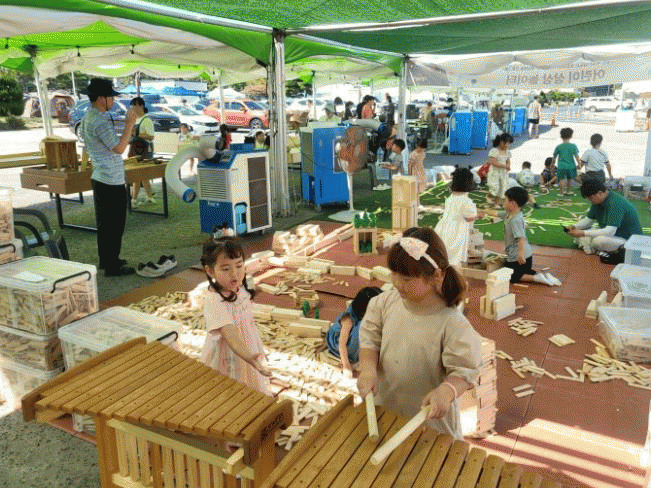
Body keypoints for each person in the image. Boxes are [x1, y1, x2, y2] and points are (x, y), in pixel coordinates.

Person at [356, 226, 482, 438]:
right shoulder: (383, 303)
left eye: (406, 279)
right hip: (386, 413)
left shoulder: (452, 324)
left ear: (435, 276)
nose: (396, 283)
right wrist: (368, 369)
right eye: (394, 274)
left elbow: (464, 371)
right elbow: (369, 339)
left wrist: (447, 391)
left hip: (431, 426)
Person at [80, 78, 140, 277]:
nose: (113, 101)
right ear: (100, 98)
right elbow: (119, 148)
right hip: (109, 179)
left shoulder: (90, 116)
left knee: (105, 224)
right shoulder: (99, 121)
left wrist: (126, 130)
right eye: (110, 97)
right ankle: (112, 265)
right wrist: (129, 124)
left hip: (102, 177)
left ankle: (107, 260)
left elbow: (114, 144)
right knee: (114, 224)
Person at [200, 236, 271, 394]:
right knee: (230, 389)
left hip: (246, 346)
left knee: (249, 383)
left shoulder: (238, 288)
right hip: (230, 353)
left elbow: (244, 302)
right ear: (210, 271)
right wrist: (249, 356)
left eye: (239, 266)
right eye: (226, 269)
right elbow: (230, 333)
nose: (235, 274)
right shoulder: (215, 301)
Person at [483, 187, 561, 286]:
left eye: (505, 200)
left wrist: (520, 255)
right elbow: (496, 213)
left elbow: (521, 238)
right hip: (523, 257)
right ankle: (545, 276)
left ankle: (537, 278)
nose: (503, 203)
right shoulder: (510, 214)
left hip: (519, 257)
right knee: (521, 271)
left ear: (513, 204)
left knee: (511, 276)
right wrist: (483, 210)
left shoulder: (515, 220)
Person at [567, 179, 642, 254]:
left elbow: (610, 231)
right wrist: (574, 227)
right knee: (583, 234)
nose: (589, 200)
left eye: (590, 198)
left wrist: (583, 233)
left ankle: (592, 247)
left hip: (629, 240)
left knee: (598, 241)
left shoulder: (615, 203)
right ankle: (592, 247)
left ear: (600, 193)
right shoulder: (598, 201)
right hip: (614, 235)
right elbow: (589, 220)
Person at [326, 286, 382, 374]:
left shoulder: (363, 313)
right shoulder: (348, 319)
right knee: (361, 331)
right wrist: (346, 365)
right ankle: (352, 356)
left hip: (351, 336)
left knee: (370, 329)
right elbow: (342, 344)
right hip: (338, 343)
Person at [434, 167, 479, 266]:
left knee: (445, 253)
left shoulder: (451, 197)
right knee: (454, 256)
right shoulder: (466, 201)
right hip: (457, 231)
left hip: (445, 227)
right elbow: (469, 217)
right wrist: (478, 215)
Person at [129, 97, 156, 206]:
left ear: (141, 106)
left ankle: (134, 199)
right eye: (132, 107)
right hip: (135, 150)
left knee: (139, 175)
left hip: (144, 151)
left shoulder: (147, 120)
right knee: (142, 176)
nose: (133, 109)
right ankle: (149, 196)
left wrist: (137, 134)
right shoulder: (136, 119)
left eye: (134, 106)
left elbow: (151, 137)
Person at [486, 133, 513, 205]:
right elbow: (493, 162)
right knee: (494, 188)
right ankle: (489, 196)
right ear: (501, 142)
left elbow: (508, 160)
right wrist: (504, 166)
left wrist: (508, 165)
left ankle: (496, 203)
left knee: (502, 188)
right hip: (495, 172)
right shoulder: (494, 151)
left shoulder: (508, 152)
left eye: (510, 143)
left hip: (503, 172)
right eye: (507, 143)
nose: (509, 145)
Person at [553, 127, 580, 196]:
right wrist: (579, 164)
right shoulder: (573, 146)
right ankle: (569, 191)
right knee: (570, 179)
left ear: (561, 136)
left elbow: (554, 157)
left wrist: (552, 164)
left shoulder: (559, 146)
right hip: (571, 165)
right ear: (571, 136)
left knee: (561, 179)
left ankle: (562, 192)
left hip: (561, 165)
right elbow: (577, 156)